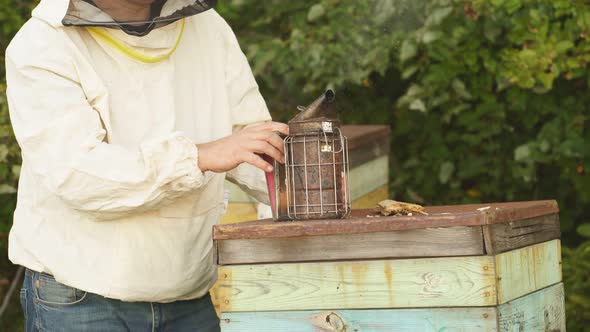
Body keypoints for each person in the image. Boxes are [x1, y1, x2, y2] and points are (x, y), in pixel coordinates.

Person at [5, 0, 288, 331]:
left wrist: (296, 188)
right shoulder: (42, 43)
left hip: (188, 293)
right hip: (82, 298)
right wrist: (197, 157)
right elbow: (78, 175)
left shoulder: (207, 26)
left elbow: (247, 138)